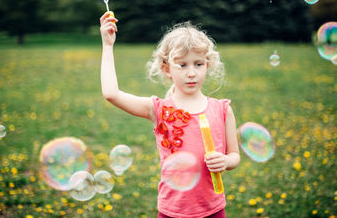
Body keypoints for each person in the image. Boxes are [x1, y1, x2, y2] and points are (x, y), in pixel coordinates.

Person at [100, 11, 240, 218]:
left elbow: (234, 156)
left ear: (207, 65)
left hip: (213, 210)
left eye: (198, 64)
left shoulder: (222, 109)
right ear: (167, 69)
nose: (191, 73)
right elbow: (111, 94)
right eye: (182, 65)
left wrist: (226, 162)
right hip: (173, 212)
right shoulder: (159, 110)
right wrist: (107, 45)